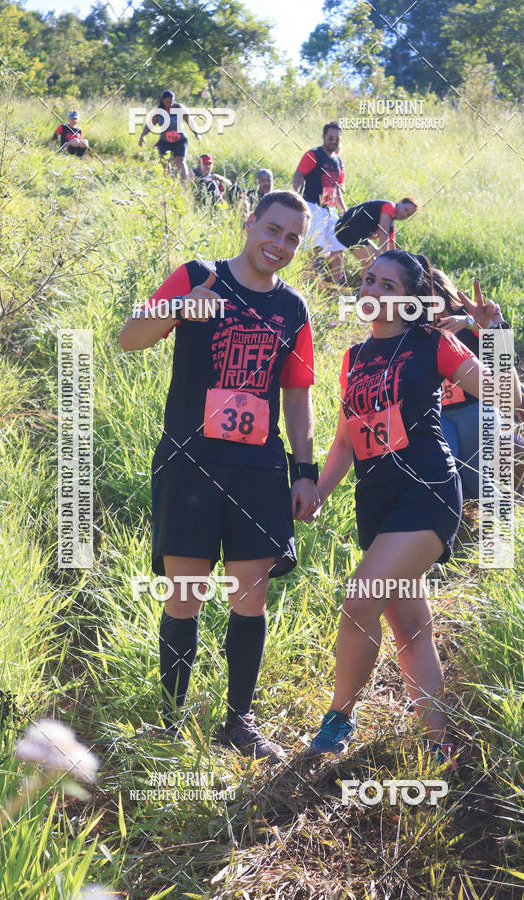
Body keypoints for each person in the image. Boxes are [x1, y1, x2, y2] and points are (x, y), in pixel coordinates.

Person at [119, 190, 319, 763]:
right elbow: (129, 336)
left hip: (258, 467)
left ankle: (239, 722)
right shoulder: (196, 276)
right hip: (189, 462)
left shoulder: (293, 309)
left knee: (248, 598)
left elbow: (298, 395)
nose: (278, 245)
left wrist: (304, 471)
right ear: (250, 221)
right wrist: (180, 309)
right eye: (272, 230)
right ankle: (171, 720)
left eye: (292, 239)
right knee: (185, 595)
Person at [305, 250, 522, 762]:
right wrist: (316, 493)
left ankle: (339, 717)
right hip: (376, 501)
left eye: (386, 284)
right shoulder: (354, 358)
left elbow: (504, 395)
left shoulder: (433, 342)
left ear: (408, 298)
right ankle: (438, 743)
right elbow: (343, 441)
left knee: (360, 602)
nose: (371, 290)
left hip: (427, 490)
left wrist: (496, 336)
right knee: (411, 629)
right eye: (368, 280)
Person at [434, 271, 524, 495]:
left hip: (477, 416)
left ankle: (506, 501)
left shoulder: (468, 322)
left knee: (511, 446)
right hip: (441, 420)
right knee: (446, 463)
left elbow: (517, 390)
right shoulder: (415, 329)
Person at [292, 121, 347, 282]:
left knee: (339, 245)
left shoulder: (338, 161)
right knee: (313, 247)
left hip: (330, 209)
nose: (333, 141)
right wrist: (298, 197)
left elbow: (336, 188)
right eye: (330, 137)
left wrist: (343, 209)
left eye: (336, 138)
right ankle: (308, 280)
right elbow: (298, 175)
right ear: (324, 137)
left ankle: (335, 284)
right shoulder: (313, 154)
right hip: (312, 205)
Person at [331, 198, 418, 277]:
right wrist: (387, 260)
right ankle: (363, 290)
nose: (404, 214)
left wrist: (392, 263)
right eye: (405, 209)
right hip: (347, 229)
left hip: (357, 234)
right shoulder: (390, 207)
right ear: (400, 202)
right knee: (369, 262)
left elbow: (391, 247)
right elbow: (383, 233)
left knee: (377, 256)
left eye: (408, 215)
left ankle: (366, 285)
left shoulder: (391, 225)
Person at [138, 90, 201, 185]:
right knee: (164, 162)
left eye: (171, 101)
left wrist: (196, 133)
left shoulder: (179, 107)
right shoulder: (158, 111)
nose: (169, 104)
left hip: (180, 139)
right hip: (164, 140)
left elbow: (189, 121)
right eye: (167, 102)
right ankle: (169, 183)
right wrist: (142, 136)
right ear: (162, 101)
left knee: (179, 161)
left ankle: (184, 185)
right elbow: (149, 125)